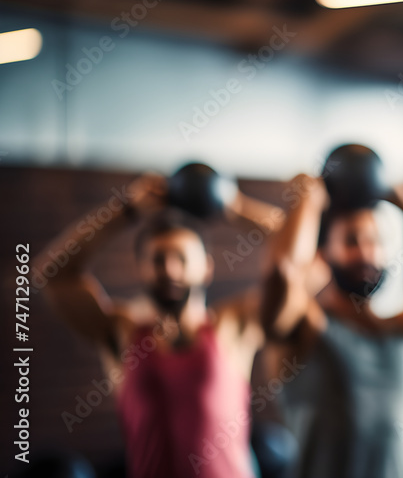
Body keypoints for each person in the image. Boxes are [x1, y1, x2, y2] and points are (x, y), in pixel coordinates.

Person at [37, 172, 285, 478]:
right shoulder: (122, 333)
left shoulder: (234, 327)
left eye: (181, 258)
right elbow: (53, 276)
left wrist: (233, 206)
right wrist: (124, 210)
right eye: (158, 259)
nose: (169, 269)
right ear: (141, 268)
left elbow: (304, 264)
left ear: (207, 267)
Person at [261, 174, 403, 478]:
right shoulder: (306, 325)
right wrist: (309, 202)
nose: (366, 253)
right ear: (324, 254)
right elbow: (283, 272)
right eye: (351, 241)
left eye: (375, 241)